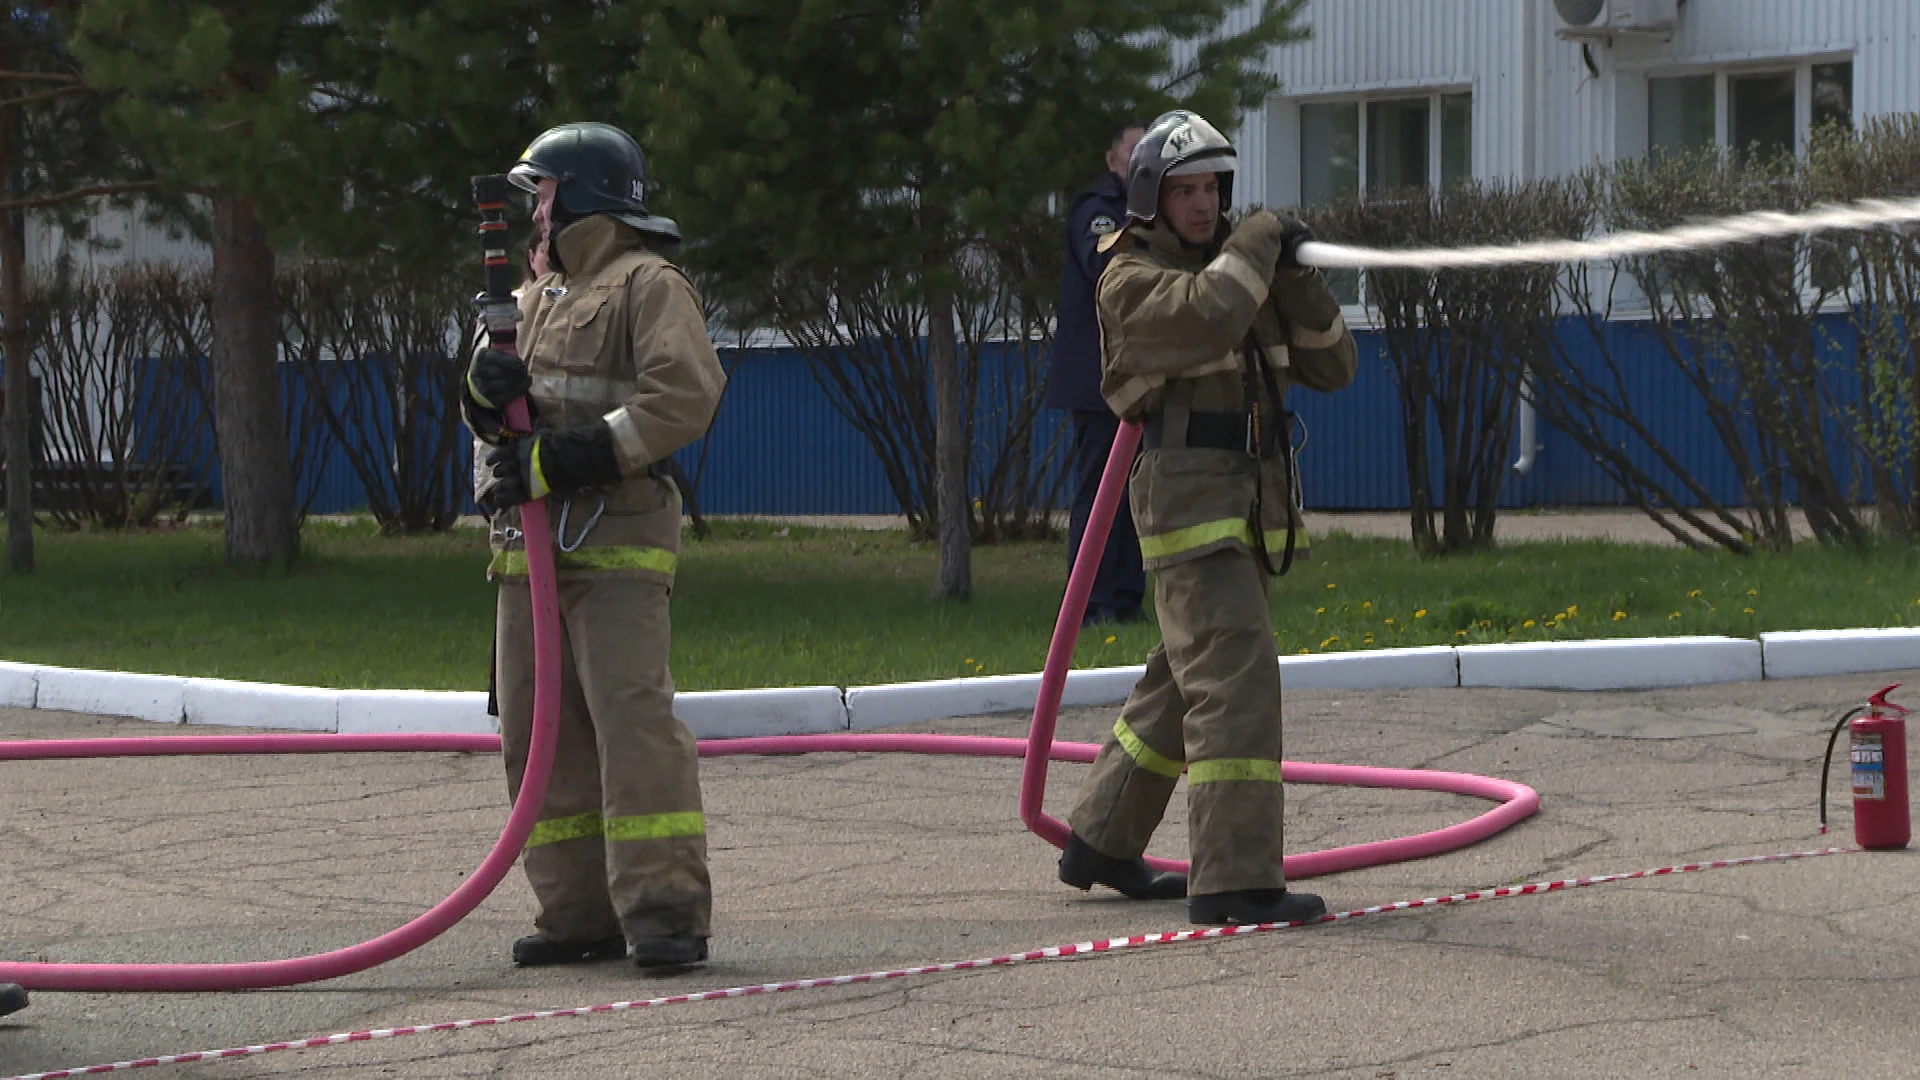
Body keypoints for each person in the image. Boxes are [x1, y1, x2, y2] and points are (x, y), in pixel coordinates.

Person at [1055, 110, 1357, 926]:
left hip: (1248, 500)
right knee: (1234, 677)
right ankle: (1234, 879)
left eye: (1212, 188)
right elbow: (1206, 314)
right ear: (1153, 193)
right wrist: (1258, 248)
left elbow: (1335, 363)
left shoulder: (1241, 271)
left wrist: (1293, 276)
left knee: (1183, 677)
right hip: (1189, 502)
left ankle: (1103, 838)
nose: (1201, 203)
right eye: (1184, 189)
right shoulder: (1130, 277)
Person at [461, 122, 727, 973]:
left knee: (631, 729)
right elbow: (495, 428)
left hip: (614, 550)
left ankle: (664, 913)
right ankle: (575, 913)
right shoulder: (532, 299)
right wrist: (479, 395)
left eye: (538, 193)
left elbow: (684, 395)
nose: (529, 213)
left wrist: (572, 457)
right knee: (541, 740)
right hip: (524, 555)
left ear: (577, 194)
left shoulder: (648, 285)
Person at [1048, 121, 1150, 625]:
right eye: (1134, 152)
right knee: (1099, 492)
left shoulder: (1150, 211)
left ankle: (1126, 597)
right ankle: (1089, 602)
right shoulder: (1098, 209)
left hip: (1138, 375)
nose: (1141, 162)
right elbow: (1106, 262)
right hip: (1098, 379)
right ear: (1113, 160)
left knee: (1136, 490)